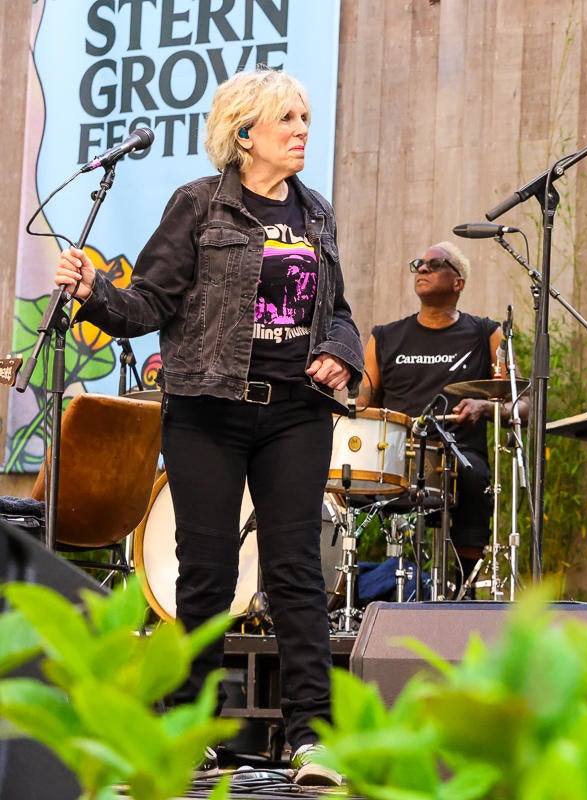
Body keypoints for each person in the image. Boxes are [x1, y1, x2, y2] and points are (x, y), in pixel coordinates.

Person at [54, 68, 362, 786]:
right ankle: (192, 729)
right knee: (205, 574)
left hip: (295, 413)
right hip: (206, 410)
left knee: (295, 573)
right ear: (245, 131)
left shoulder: (315, 214)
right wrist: (94, 291)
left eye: (306, 117)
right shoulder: (198, 205)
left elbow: (338, 310)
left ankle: (312, 740)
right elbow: (149, 305)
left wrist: (340, 354)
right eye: (288, 118)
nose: (301, 130)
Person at [357, 240, 528, 591]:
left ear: (458, 282)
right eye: (419, 263)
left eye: (435, 265)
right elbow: (361, 402)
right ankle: (351, 590)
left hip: (459, 456)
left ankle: (463, 591)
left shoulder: (486, 333)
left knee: (474, 476)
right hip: (395, 458)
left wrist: (485, 407)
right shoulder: (385, 337)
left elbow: (523, 404)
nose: (423, 268)